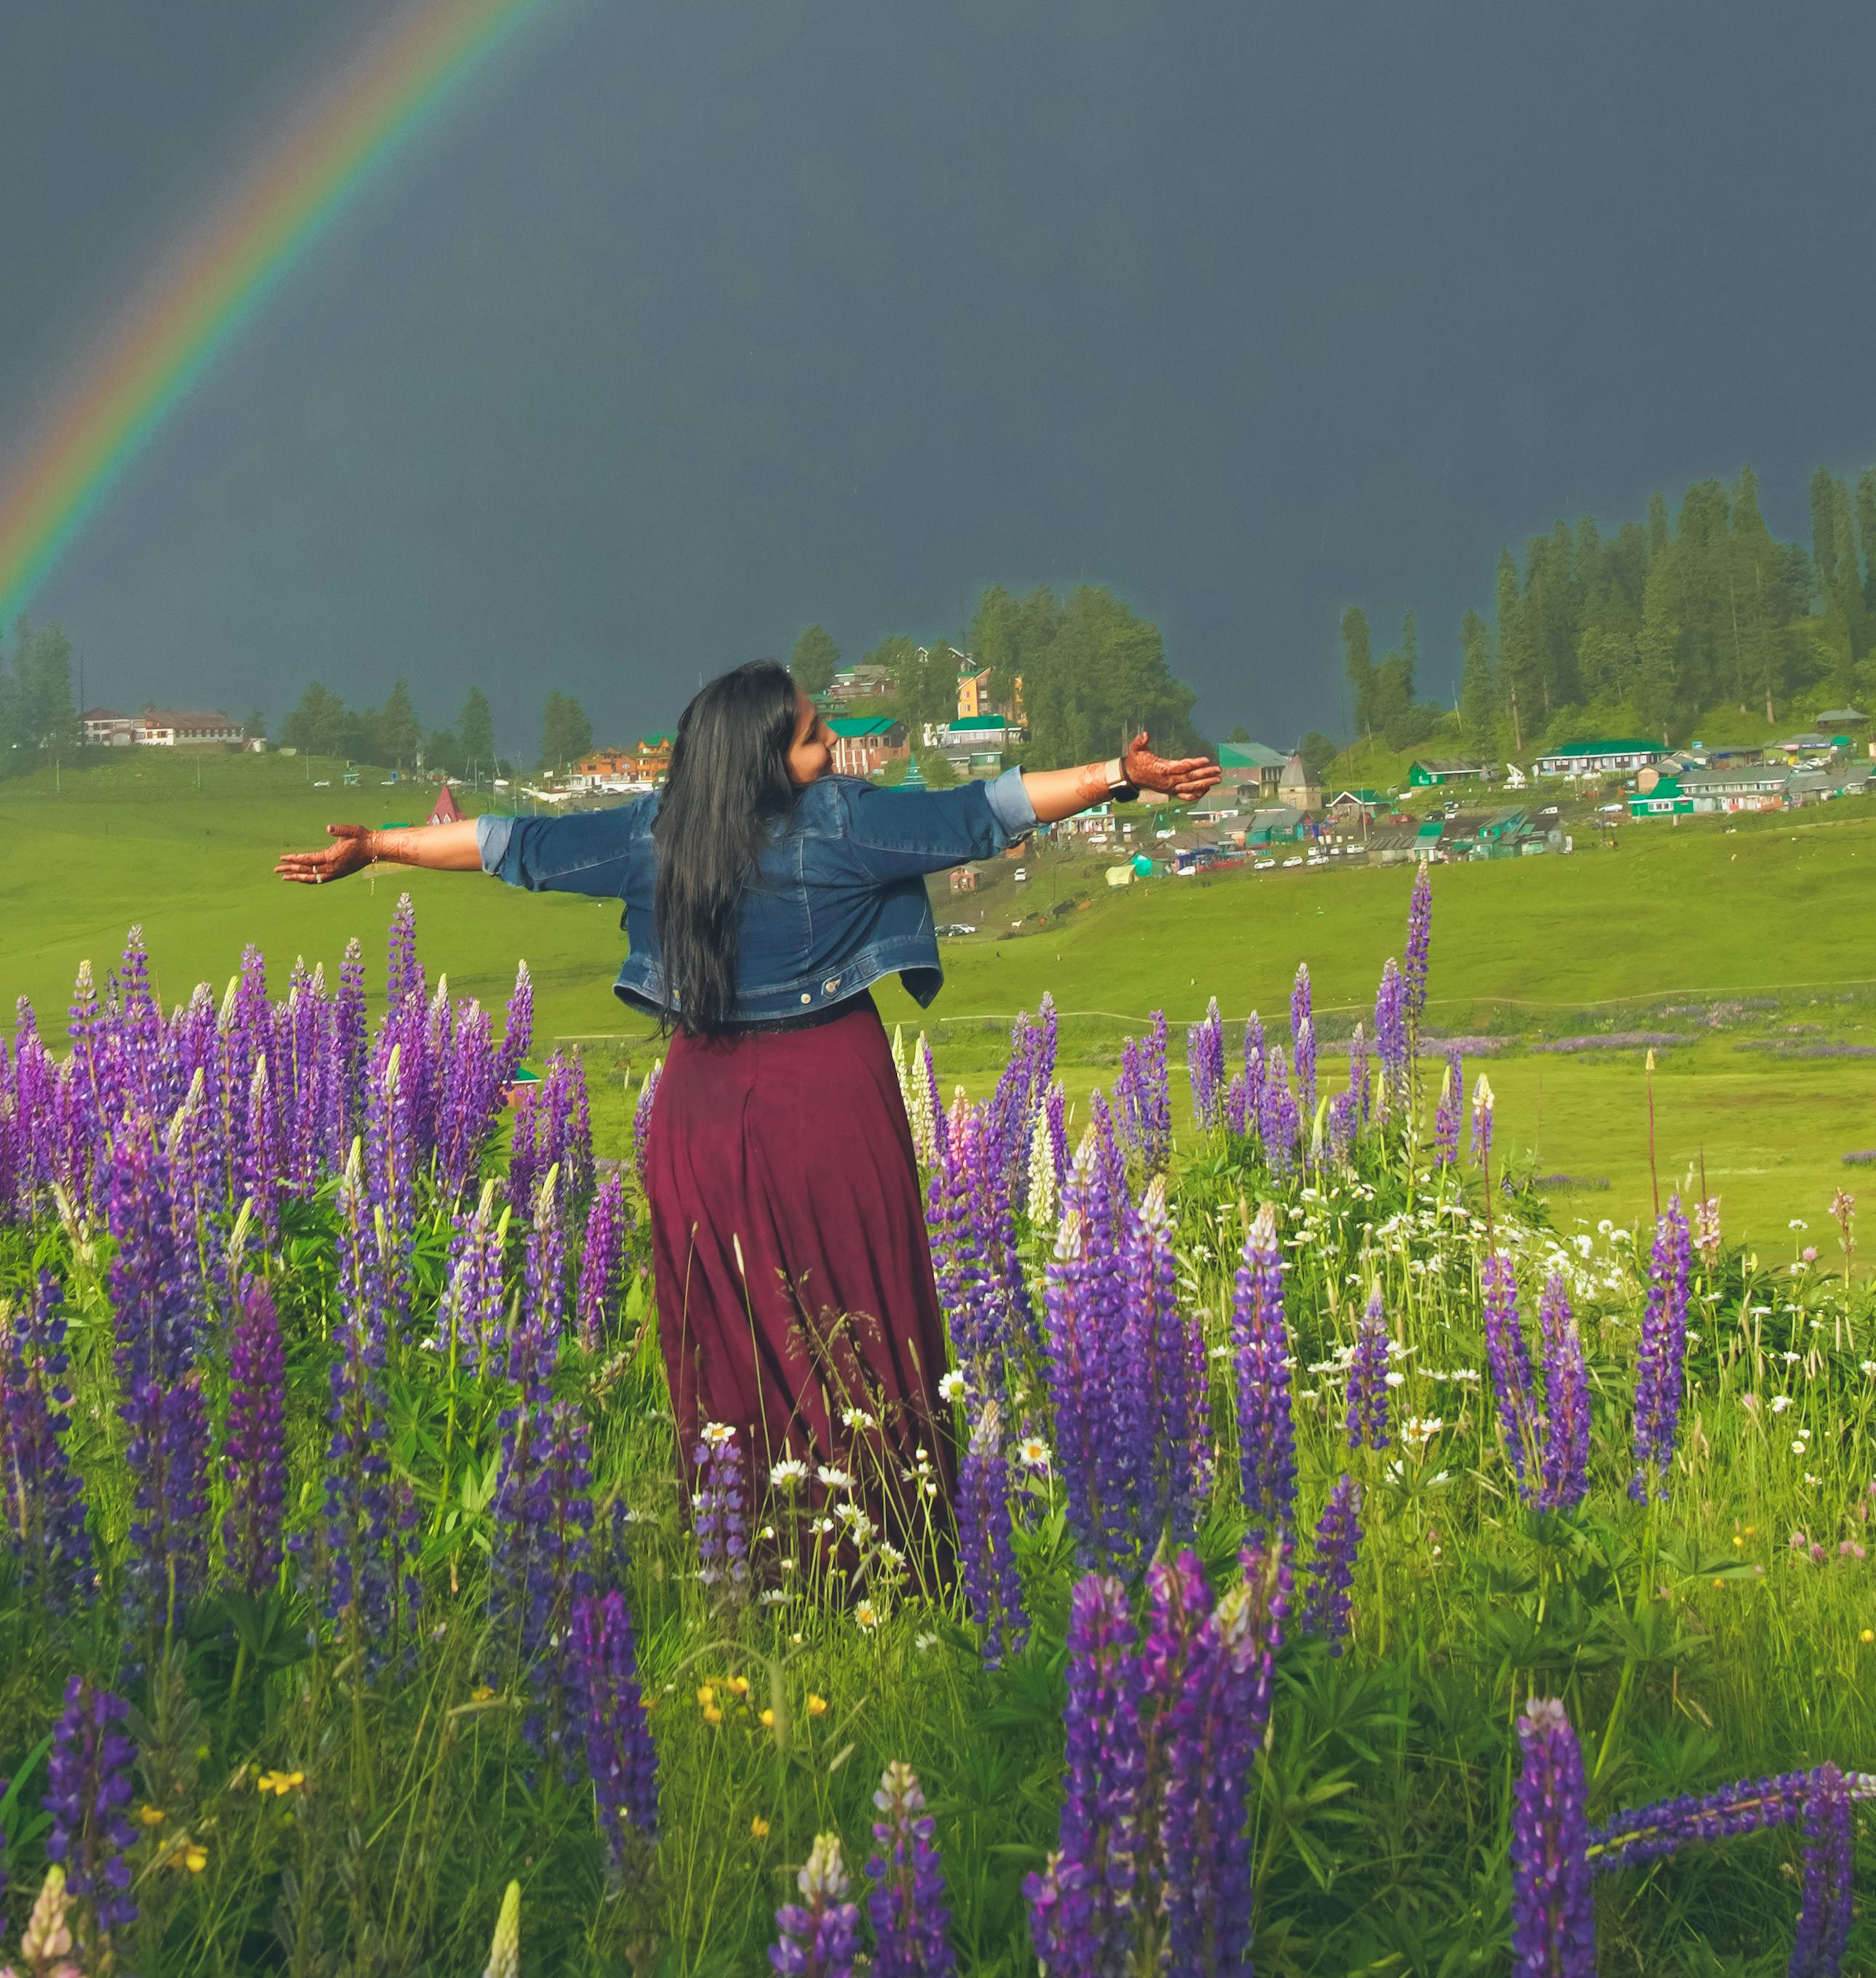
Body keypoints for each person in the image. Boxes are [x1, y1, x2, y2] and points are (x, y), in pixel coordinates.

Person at [280, 659, 1214, 1570]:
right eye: (813, 737)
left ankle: (755, 1560)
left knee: (728, 1338)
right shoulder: (843, 823)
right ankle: (890, 1554)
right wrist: (1116, 776)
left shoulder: (656, 832)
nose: (831, 752)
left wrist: (376, 846)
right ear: (766, 758)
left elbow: (508, 843)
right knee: (860, 1323)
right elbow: (986, 810)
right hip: (830, 1106)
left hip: (699, 1117)